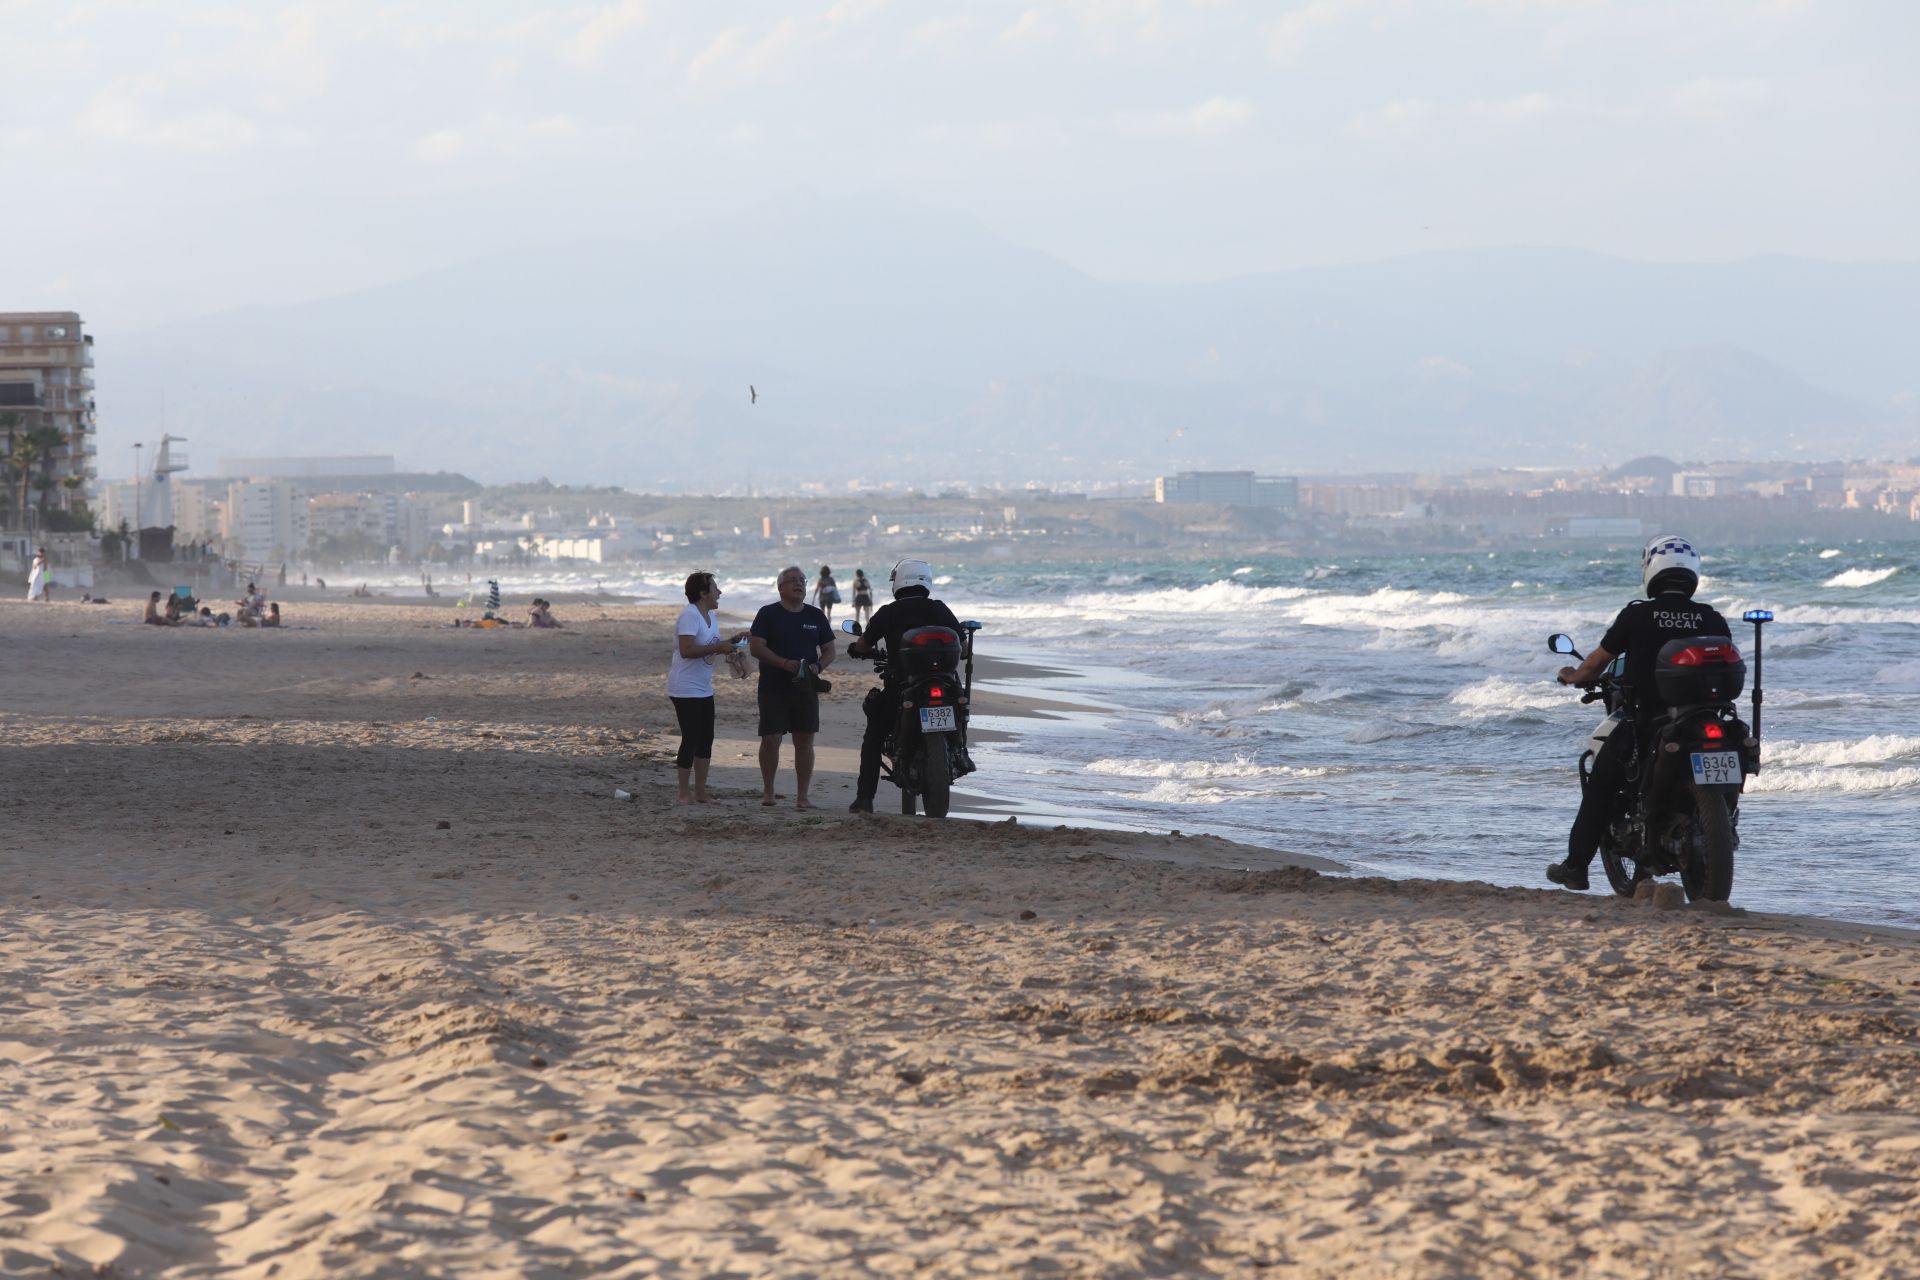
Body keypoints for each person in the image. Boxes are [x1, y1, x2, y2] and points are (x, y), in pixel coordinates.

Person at [1547, 535, 1732, 891]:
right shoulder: (1712, 618)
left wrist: (1570, 676)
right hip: (1708, 717)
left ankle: (1575, 867)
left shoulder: (1637, 615)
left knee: (1601, 783)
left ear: (1651, 570)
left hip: (1648, 721)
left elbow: (1594, 664)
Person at [845, 557, 964, 813]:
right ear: (925, 581)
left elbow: (864, 644)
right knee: (961, 711)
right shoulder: (939, 609)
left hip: (902, 687)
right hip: (946, 686)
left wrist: (856, 648)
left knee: (874, 735)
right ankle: (961, 753)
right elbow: (962, 646)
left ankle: (865, 799)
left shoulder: (888, 612)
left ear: (898, 582)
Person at [748, 565, 837, 810]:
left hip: (805, 687)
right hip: (773, 686)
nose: (799, 584)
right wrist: (783, 663)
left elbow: (830, 650)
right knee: (771, 738)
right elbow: (756, 647)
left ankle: (802, 797)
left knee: (805, 740)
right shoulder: (768, 614)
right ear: (780, 588)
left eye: (802, 580)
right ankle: (768, 792)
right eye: (793, 580)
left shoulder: (815, 616)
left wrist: (818, 667)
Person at [669, 571, 751, 805]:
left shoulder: (711, 616)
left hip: (704, 688)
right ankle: (684, 793)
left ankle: (701, 792)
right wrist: (718, 647)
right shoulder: (690, 615)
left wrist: (733, 640)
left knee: (706, 738)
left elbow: (710, 644)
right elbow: (686, 650)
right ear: (703, 593)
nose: (719, 592)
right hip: (684, 688)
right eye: (715, 588)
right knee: (691, 737)